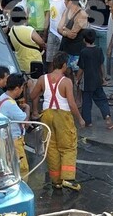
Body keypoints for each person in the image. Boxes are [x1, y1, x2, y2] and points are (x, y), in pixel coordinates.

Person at [32, 52, 85, 190]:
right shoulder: (66, 81)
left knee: (51, 148)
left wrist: (35, 109)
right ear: (64, 65)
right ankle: (68, 178)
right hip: (63, 116)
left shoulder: (43, 79)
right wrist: (80, 119)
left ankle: (56, 181)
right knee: (68, 146)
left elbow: (33, 95)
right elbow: (72, 104)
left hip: (46, 115)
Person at [76, 29, 113, 129]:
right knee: (102, 100)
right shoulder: (98, 50)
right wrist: (103, 77)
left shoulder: (83, 52)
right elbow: (102, 65)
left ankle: (88, 122)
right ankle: (107, 118)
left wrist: (77, 79)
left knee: (87, 102)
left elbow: (81, 68)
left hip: (87, 82)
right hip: (97, 80)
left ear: (84, 40)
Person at [0, 74, 30, 174]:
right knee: (22, 169)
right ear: (16, 88)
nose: (22, 90)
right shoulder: (9, 104)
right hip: (14, 140)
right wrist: (27, 108)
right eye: (22, 88)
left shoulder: (2, 97)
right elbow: (25, 120)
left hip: (4, 139)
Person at [7, 7, 46, 75]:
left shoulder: (12, 30)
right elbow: (41, 42)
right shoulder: (29, 30)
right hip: (34, 63)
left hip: (21, 64)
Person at [58, 0, 88, 76]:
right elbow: (58, 28)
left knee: (77, 77)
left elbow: (72, 35)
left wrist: (63, 29)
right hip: (65, 47)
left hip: (76, 51)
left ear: (70, 1)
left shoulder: (82, 15)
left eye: (65, 0)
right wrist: (65, 31)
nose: (64, 2)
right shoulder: (66, 11)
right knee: (66, 74)